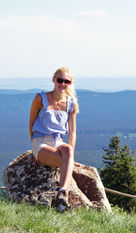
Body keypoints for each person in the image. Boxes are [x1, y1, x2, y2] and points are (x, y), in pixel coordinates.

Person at [29, 66, 80, 211]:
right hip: (41, 141)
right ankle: (62, 203)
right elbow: (31, 123)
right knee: (65, 160)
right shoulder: (40, 99)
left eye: (67, 81)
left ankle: (63, 193)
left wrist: (71, 157)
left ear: (70, 83)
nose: (63, 84)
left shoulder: (71, 103)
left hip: (58, 141)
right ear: (53, 80)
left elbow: (72, 132)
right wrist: (34, 148)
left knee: (68, 151)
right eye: (60, 80)